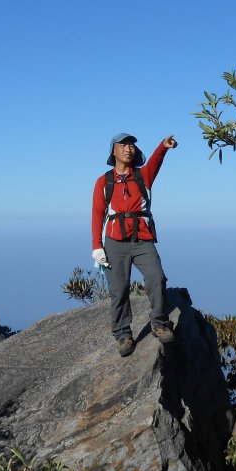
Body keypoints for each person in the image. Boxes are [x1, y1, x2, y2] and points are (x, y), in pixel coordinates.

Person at [91, 132, 178, 357]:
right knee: (119, 290)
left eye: (131, 146)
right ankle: (122, 334)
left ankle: (159, 322)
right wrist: (97, 246)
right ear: (114, 151)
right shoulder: (104, 181)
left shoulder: (142, 176)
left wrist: (163, 147)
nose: (129, 149)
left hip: (142, 239)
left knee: (156, 277)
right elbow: (97, 214)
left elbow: (156, 162)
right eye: (124, 145)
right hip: (114, 242)